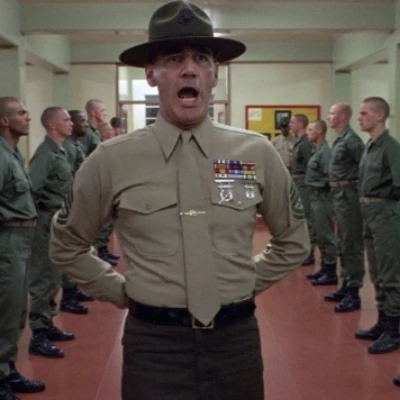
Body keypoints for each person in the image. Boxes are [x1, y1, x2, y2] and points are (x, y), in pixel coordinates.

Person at [49, 1, 309, 399]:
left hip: (235, 343)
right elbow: (66, 243)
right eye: (173, 58)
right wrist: (119, 290)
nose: (189, 69)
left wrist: (241, 284)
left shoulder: (256, 152)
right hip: (154, 347)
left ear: (214, 73)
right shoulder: (111, 160)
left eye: (201, 58)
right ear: (151, 74)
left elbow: (294, 240)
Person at [0, 97, 45, 400]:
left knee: (17, 311)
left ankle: (7, 369)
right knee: (5, 312)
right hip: (8, 240)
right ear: (4, 121)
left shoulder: (13, 153)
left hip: (21, 239)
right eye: (21, 113)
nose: (28, 117)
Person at [28, 107, 75, 359]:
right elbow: (31, 191)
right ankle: (38, 335)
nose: (71, 123)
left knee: (54, 276)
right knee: (43, 279)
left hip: (58, 219)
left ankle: (47, 324)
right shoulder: (45, 155)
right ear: (53, 125)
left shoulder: (61, 151)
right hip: (45, 221)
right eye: (66, 119)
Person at [355, 97, 400, 356]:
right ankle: (383, 323)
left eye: (364, 113)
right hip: (369, 212)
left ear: (379, 115)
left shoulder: (390, 147)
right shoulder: (370, 146)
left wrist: (385, 205)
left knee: (389, 274)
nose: (359, 118)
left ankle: (393, 330)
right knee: (376, 272)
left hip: (385, 215)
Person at [323, 103, 365, 311]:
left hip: (349, 195)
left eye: (332, 113)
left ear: (342, 116)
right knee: (342, 242)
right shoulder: (340, 139)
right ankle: (346, 284)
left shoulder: (352, 141)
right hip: (339, 195)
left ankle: (354, 292)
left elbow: (365, 167)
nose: (328, 117)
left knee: (351, 243)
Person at [59, 110, 94, 315]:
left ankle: (73, 290)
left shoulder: (76, 145)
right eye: (81, 121)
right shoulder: (64, 148)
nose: (85, 125)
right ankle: (68, 296)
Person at [305, 120, 337, 286]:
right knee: (319, 235)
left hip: (323, 198)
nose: (307, 132)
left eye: (310, 129)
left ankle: (331, 272)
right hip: (315, 198)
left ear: (319, 131)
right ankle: (324, 268)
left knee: (326, 235)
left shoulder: (325, 153)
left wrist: (315, 184)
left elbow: (330, 177)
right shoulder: (317, 151)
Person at [290, 113, 317, 266]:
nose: (290, 125)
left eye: (292, 122)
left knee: (307, 218)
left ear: (300, 124)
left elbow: (309, 165)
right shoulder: (299, 141)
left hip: (304, 183)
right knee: (299, 217)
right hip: (297, 182)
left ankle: (309, 252)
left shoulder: (305, 143)